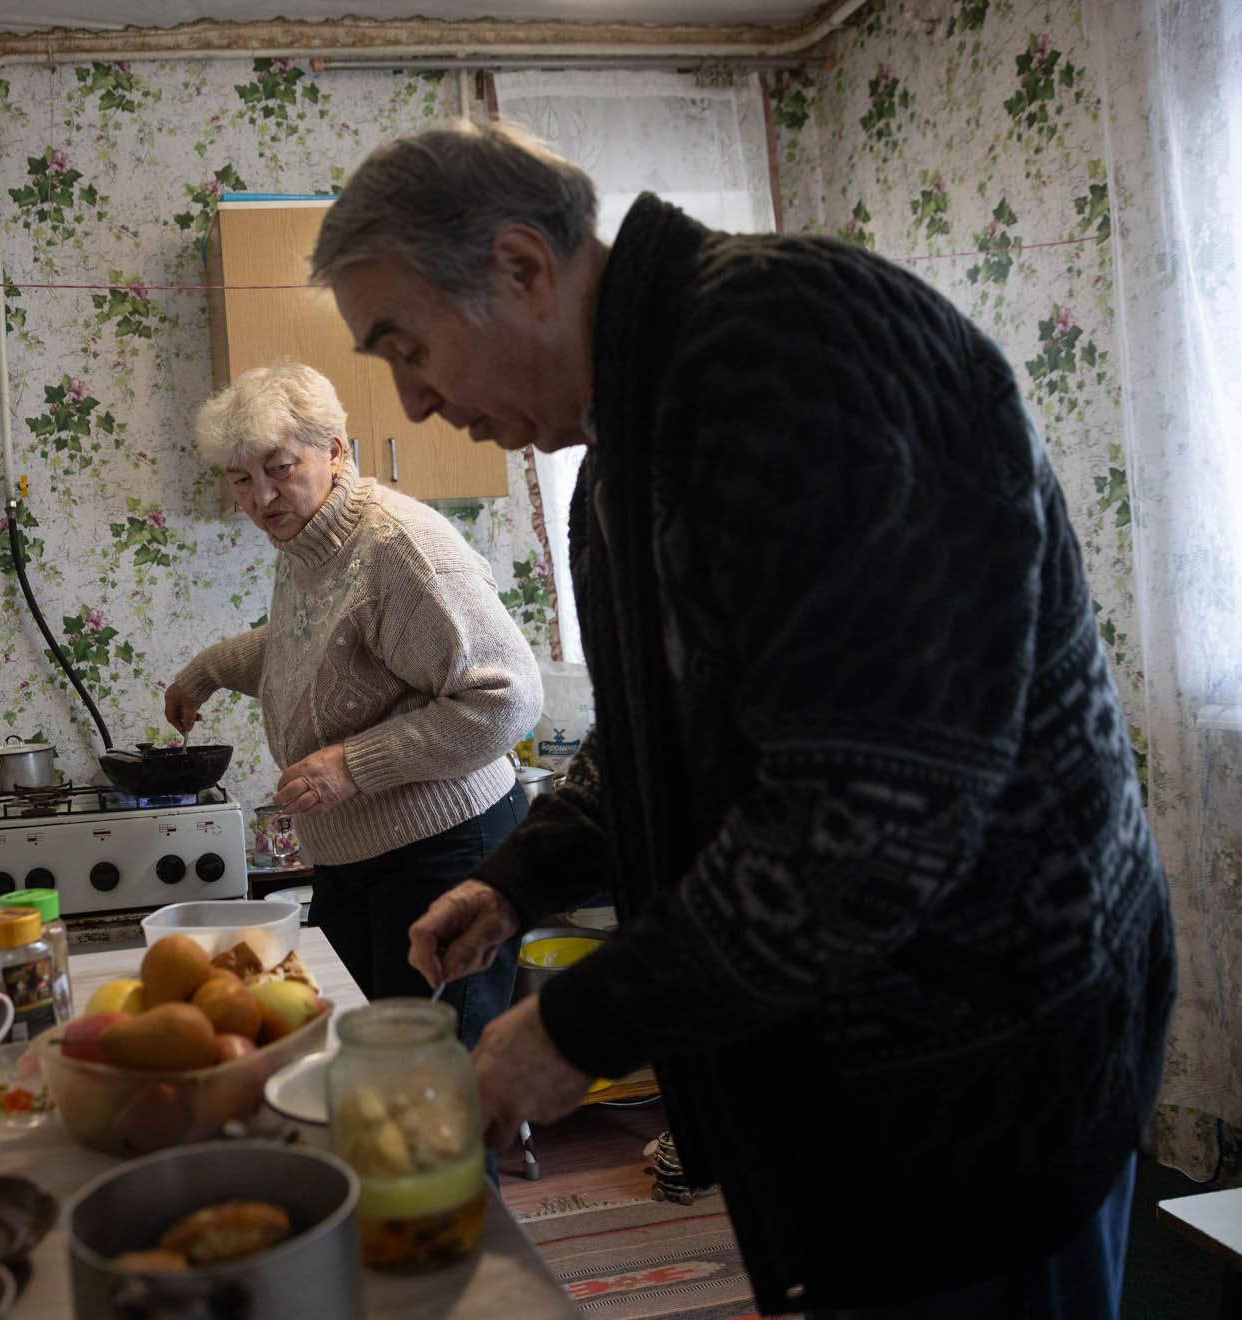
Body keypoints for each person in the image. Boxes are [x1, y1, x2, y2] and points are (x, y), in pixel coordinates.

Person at [312, 121, 1175, 1319]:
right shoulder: (625, 428)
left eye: (406, 345)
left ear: (521, 266)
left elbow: (869, 818)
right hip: (859, 1073)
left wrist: (577, 1022)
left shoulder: (792, 351)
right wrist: (526, 870)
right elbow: (676, 729)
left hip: (981, 1069)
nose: (410, 396)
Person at [165, 361, 542, 1052]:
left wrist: (352, 765)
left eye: (280, 468)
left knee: (427, 1090)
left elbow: (506, 699)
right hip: (354, 851)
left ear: (337, 450)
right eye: (241, 478)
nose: (261, 497)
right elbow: (310, 643)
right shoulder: (307, 540)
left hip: (442, 846)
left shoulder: (402, 550)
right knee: (367, 1061)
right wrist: (207, 672)